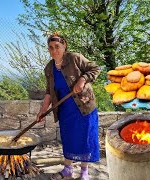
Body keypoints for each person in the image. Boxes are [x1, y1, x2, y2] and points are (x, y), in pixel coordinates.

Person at [36, 32, 100, 180]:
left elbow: (95, 69)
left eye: (57, 47)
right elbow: (48, 92)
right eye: (51, 47)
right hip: (65, 110)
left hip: (83, 107)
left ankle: (84, 172)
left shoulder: (74, 58)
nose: (54, 50)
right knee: (68, 139)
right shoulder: (49, 68)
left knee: (85, 138)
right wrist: (42, 110)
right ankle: (68, 169)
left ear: (64, 46)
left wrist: (82, 80)